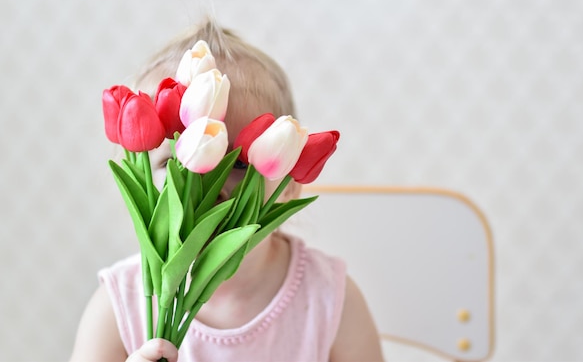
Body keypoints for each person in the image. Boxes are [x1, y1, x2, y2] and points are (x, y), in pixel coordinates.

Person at [70, 18, 385, 362]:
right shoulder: (120, 305)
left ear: (290, 183)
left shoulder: (328, 299)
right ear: (138, 173)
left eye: (238, 164)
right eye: (175, 164)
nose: (205, 183)